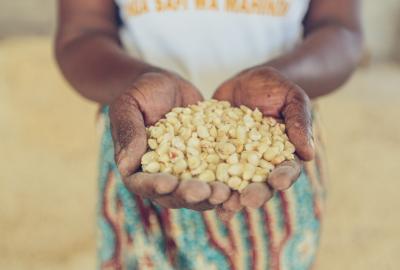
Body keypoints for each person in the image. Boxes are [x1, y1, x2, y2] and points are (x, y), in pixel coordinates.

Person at [55, 0, 362, 269]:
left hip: (277, 139)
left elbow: (340, 30)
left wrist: (283, 80)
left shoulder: (271, 143)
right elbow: (81, 34)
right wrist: (137, 81)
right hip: (144, 140)